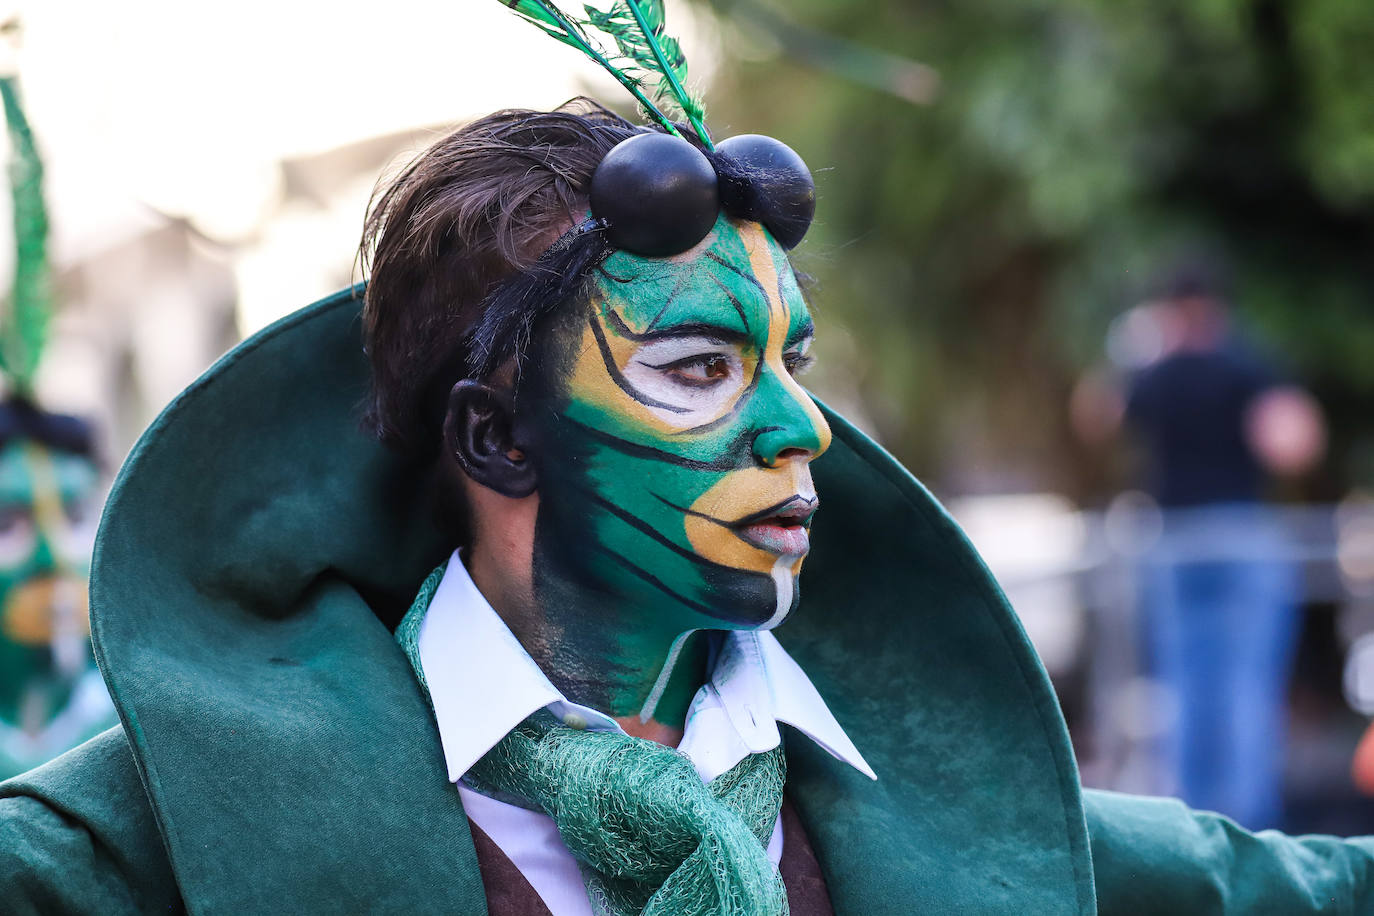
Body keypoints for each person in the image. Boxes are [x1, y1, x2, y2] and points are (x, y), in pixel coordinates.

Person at [3, 7, 1374, 910]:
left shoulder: (954, 807)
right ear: (495, 436)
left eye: (791, 362)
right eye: (699, 370)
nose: (799, 429)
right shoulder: (163, 821)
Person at [1123, 261, 1325, 829]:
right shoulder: (1246, 364)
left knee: (1184, 696)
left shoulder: (1152, 372)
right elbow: (1294, 443)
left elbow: (1098, 415)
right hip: (1240, 536)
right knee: (1246, 692)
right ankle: (1249, 836)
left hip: (1173, 543)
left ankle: (1195, 834)